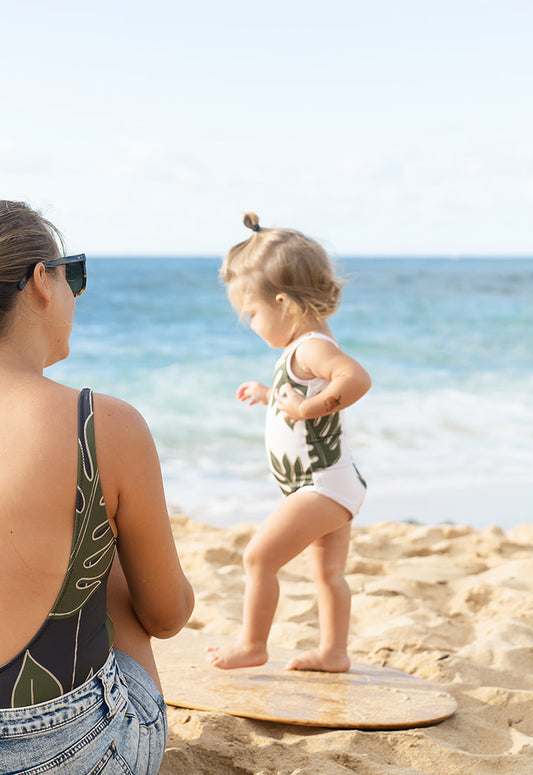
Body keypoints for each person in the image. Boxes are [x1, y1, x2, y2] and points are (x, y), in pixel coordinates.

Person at [0, 201, 194, 774]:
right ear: (41, 281)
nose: (72, 295)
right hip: (59, 748)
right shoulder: (99, 423)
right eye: (72, 275)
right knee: (102, 552)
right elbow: (164, 616)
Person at [206, 212, 371, 673]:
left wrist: (303, 410)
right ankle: (334, 652)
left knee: (258, 557)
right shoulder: (304, 347)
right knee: (329, 574)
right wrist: (271, 397)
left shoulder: (310, 347)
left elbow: (355, 378)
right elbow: (307, 390)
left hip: (320, 486)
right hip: (335, 482)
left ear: (283, 303)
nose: (252, 324)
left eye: (253, 313)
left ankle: (252, 645)